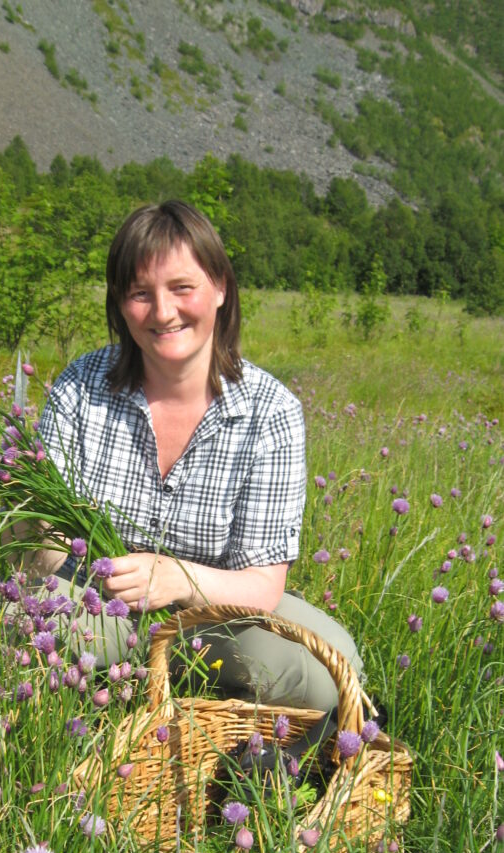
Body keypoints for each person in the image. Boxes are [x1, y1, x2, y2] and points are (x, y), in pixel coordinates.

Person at [34, 199, 363, 712]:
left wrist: (174, 578)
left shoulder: (271, 412)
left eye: (181, 288)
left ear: (220, 289)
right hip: (95, 604)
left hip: (215, 618)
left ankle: (189, 705)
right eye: (141, 294)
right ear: (121, 305)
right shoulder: (81, 386)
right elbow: (42, 538)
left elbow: (262, 584)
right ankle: (134, 692)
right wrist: (98, 574)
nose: (163, 312)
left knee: (328, 672)